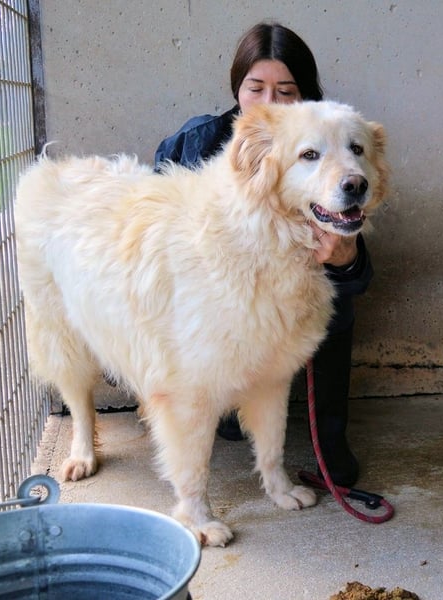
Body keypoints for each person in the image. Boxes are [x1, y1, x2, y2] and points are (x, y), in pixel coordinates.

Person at [154, 22, 371, 487]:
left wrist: (342, 256)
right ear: (238, 88)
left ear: (305, 95)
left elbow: (360, 275)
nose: (269, 102)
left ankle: (328, 439)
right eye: (256, 88)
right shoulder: (198, 140)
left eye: (286, 91)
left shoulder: (326, 140)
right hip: (216, 308)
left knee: (335, 301)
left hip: (290, 303)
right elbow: (155, 217)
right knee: (227, 420)